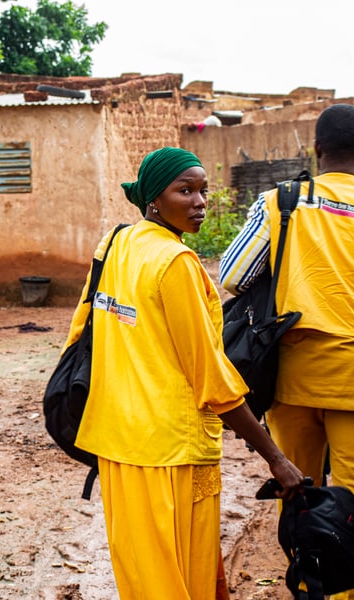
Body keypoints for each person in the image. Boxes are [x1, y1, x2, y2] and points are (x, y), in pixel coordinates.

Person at [62, 147, 304, 600]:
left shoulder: (116, 245)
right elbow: (211, 377)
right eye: (185, 190)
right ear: (154, 198)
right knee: (178, 579)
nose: (199, 202)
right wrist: (275, 457)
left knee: (145, 575)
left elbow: (81, 334)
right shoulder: (176, 264)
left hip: (116, 441)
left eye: (203, 191)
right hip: (169, 450)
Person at [219, 103, 354, 600]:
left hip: (294, 380)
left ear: (317, 151)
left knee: (298, 492)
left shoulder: (285, 202)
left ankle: (311, 582)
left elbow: (233, 277)